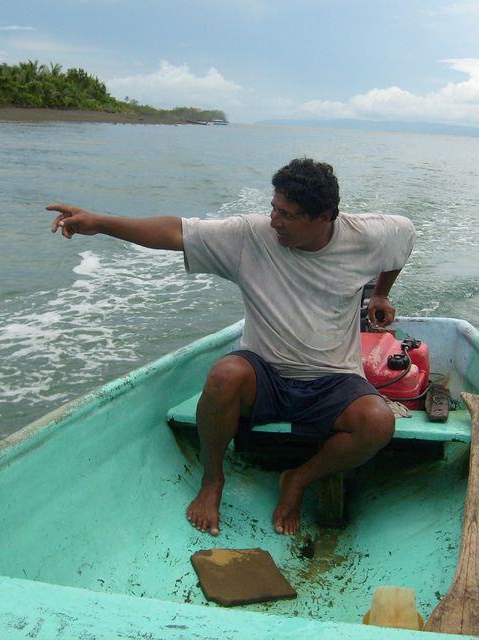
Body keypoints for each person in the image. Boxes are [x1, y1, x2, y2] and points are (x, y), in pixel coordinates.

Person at [47, 158, 416, 537]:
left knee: (377, 422)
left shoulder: (367, 235)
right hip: (265, 373)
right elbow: (176, 232)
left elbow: (403, 240)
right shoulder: (250, 236)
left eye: (287, 215)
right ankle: (212, 480)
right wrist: (100, 223)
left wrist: (381, 294)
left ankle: (298, 479)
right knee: (224, 374)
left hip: (334, 379)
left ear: (324, 217)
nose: (274, 221)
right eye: (273, 208)